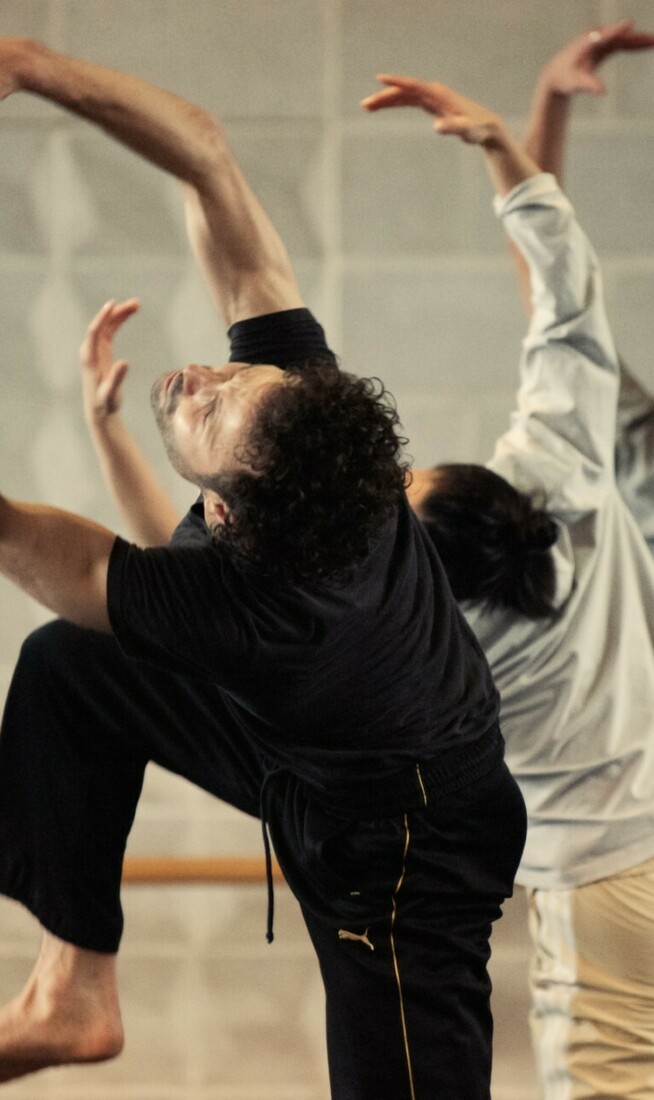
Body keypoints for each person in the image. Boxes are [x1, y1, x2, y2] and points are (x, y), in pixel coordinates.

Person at [0, 40, 526, 1099]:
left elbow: (16, 534)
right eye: (239, 372)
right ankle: (73, 988)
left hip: (410, 852)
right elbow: (205, 154)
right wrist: (27, 63)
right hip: (318, 752)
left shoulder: (270, 611)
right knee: (75, 665)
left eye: (209, 405)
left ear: (232, 507)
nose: (202, 372)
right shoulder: (321, 451)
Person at [361, 22, 654, 1100]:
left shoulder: (444, 636)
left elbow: (558, 307)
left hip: (603, 870)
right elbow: (564, 302)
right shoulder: (561, 470)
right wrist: (513, 148)